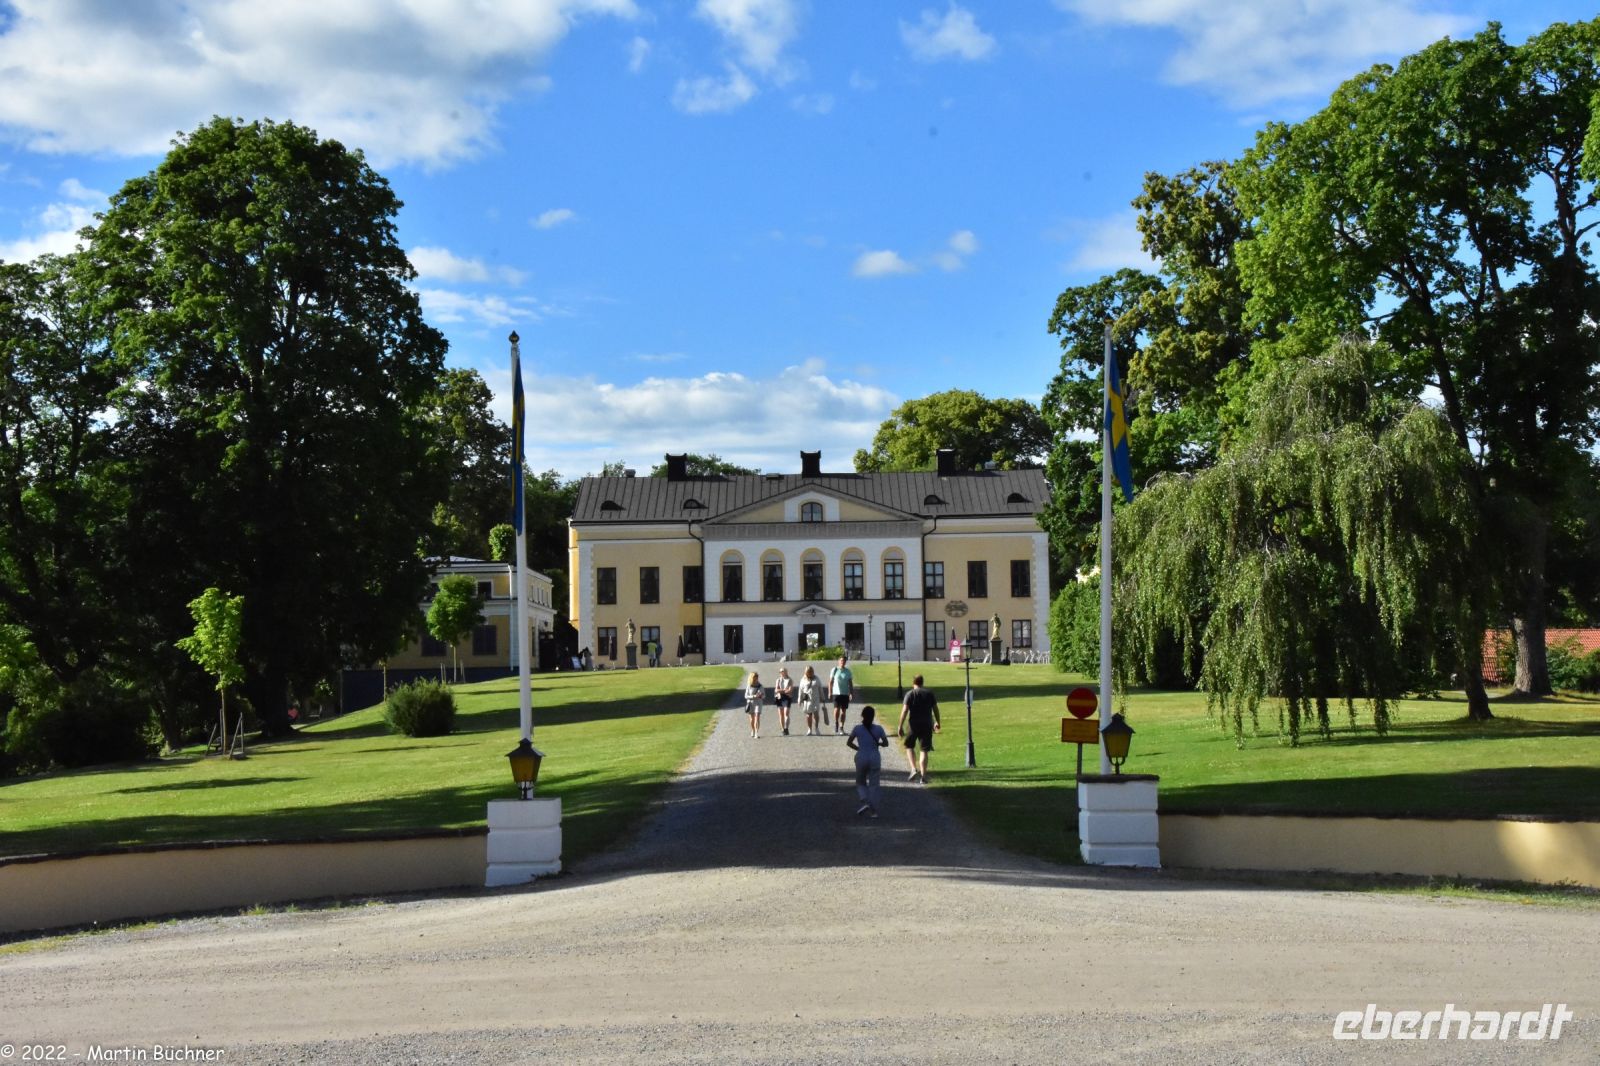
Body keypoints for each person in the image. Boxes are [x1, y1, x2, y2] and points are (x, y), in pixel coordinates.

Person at [896, 674, 942, 783]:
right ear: (922, 682)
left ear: (913, 683)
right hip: (927, 724)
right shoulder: (929, 694)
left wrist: (900, 725)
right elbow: (935, 709)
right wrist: (937, 722)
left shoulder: (910, 694)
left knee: (909, 746)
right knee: (924, 750)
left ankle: (913, 768)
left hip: (913, 724)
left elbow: (905, 710)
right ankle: (923, 777)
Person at [846, 705, 890, 817]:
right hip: (874, 756)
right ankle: (874, 811)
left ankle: (865, 799)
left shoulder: (857, 728)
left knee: (860, 781)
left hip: (861, 756)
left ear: (862, 716)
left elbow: (849, 742)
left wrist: (859, 749)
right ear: (873, 716)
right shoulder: (879, 729)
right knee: (874, 784)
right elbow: (886, 743)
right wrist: (879, 743)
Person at [827, 656, 854, 735]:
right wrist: (829, 692)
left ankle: (842, 727)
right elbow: (830, 682)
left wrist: (851, 693)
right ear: (838, 661)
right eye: (841, 660)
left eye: (844, 661)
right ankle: (836, 722)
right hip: (836, 693)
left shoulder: (848, 671)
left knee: (843, 711)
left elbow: (850, 683)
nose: (843, 662)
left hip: (845, 693)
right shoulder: (834, 670)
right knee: (836, 710)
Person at [797, 665, 825, 735]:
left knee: (816, 714)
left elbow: (820, 688)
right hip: (807, 700)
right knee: (808, 714)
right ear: (806, 672)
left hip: (815, 699)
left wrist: (823, 698)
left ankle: (816, 728)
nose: (810, 673)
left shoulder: (816, 679)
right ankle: (809, 729)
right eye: (808, 672)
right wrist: (799, 699)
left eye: (811, 672)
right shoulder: (803, 679)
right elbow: (800, 690)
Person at [773, 667, 795, 735]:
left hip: (787, 697)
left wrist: (782, 690)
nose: (782, 673)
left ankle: (786, 728)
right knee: (781, 714)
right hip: (779, 697)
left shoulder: (790, 680)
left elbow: (790, 690)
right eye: (781, 672)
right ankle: (782, 729)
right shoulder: (778, 680)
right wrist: (784, 690)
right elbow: (776, 690)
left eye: (783, 671)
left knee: (786, 713)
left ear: (786, 672)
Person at [744, 671, 765, 739]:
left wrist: (761, 696)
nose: (756, 679)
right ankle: (752, 730)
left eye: (757, 677)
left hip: (758, 703)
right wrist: (753, 696)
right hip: (751, 703)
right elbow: (746, 696)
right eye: (755, 677)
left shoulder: (760, 686)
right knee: (751, 719)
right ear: (752, 678)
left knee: (757, 717)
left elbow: (764, 695)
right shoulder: (749, 686)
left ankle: (756, 732)